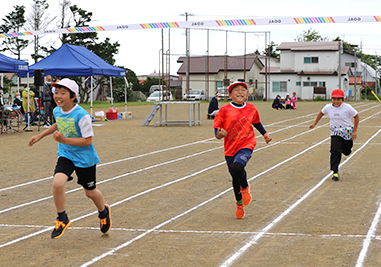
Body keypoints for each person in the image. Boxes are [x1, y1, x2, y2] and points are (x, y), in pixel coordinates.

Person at [28, 78, 111, 239]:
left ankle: (103, 212)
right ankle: (62, 218)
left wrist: (63, 140)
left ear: (73, 96)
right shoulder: (57, 111)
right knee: (57, 183)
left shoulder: (82, 115)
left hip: (84, 158)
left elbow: (88, 140)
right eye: (56, 92)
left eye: (63, 93)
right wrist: (41, 135)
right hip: (66, 154)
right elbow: (58, 124)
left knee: (90, 192)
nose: (58, 96)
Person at [213, 81, 272, 219]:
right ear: (230, 95)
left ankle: (245, 188)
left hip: (247, 143)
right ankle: (239, 204)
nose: (240, 92)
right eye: (236, 90)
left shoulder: (251, 108)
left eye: (243, 90)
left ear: (247, 94)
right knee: (235, 177)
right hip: (230, 148)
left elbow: (256, 122)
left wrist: (265, 134)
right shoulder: (224, 110)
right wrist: (219, 134)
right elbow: (217, 128)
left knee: (239, 168)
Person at [309, 89, 359, 181]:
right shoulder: (328, 107)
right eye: (334, 99)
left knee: (347, 151)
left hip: (347, 132)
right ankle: (335, 171)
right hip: (335, 132)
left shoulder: (348, 107)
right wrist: (314, 123)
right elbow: (321, 113)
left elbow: (356, 117)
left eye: (338, 99)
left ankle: (347, 148)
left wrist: (354, 131)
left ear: (343, 100)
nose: (336, 101)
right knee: (335, 150)